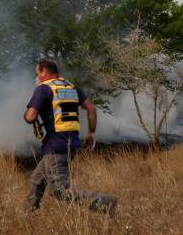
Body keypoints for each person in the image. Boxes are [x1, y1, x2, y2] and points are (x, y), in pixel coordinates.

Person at [22, 59, 117, 214]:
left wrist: (26, 114)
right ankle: (27, 215)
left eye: (37, 73)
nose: (37, 76)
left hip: (56, 146)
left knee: (60, 190)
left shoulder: (44, 88)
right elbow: (91, 108)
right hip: (70, 143)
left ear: (45, 72)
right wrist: (92, 133)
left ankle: (106, 203)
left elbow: (30, 117)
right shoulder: (71, 87)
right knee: (37, 181)